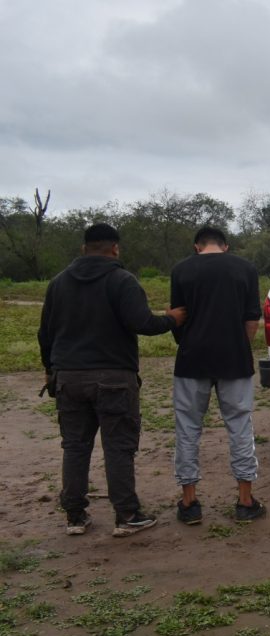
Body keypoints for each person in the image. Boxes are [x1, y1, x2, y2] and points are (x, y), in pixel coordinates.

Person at [38, 223, 186, 536]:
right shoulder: (122, 280)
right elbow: (142, 323)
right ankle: (127, 515)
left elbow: (45, 334)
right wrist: (172, 318)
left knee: (75, 447)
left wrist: (50, 371)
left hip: (68, 378)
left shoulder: (58, 283)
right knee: (118, 447)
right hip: (114, 378)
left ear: (83, 248)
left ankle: (75, 516)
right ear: (115, 248)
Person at [169, 226, 264, 525]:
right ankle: (245, 501)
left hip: (191, 359)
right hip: (234, 359)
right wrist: (237, 346)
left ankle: (190, 502)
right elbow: (252, 320)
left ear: (197, 246)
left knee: (187, 429)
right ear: (225, 245)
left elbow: (177, 316)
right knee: (240, 427)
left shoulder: (181, 270)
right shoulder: (245, 269)